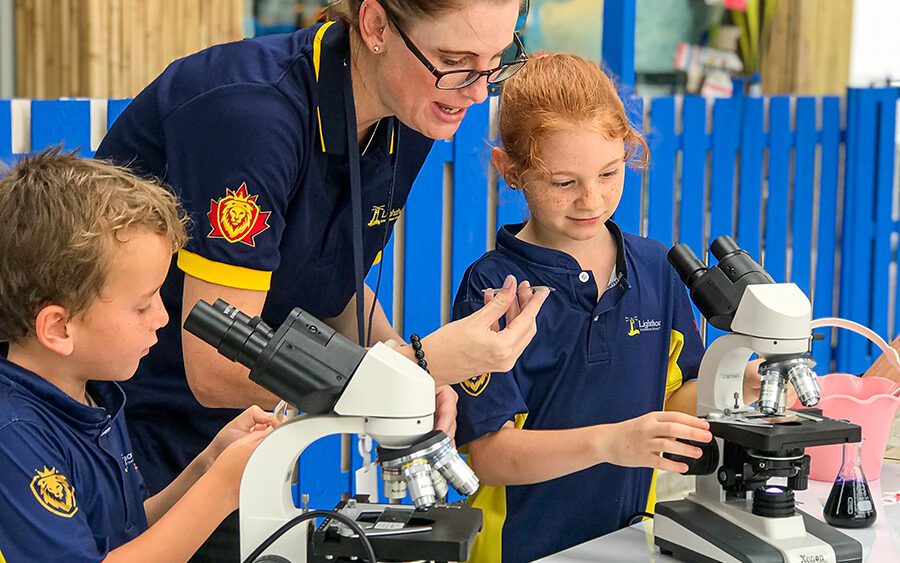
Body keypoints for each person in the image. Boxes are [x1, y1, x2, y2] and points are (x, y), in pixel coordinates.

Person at [94, 0, 548, 560]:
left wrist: (405, 373)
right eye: (455, 61)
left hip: (235, 437)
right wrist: (414, 365)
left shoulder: (409, 106)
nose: (477, 93)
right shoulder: (251, 116)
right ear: (377, 25)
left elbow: (328, 279)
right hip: (125, 428)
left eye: (495, 63)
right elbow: (213, 366)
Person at [451, 53, 767, 562]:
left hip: (626, 542)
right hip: (516, 549)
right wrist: (611, 443)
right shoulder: (493, 286)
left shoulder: (657, 268)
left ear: (629, 150)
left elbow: (672, 399)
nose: (591, 200)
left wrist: (737, 384)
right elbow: (490, 456)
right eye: (563, 182)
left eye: (609, 172)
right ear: (509, 169)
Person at [0, 149, 279, 562]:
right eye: (143, 305)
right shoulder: (14, 435)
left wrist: (206, 468)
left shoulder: (90, 396)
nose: (163, 319)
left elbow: (116, 538)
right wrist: (221, 490)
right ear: (58, 328)